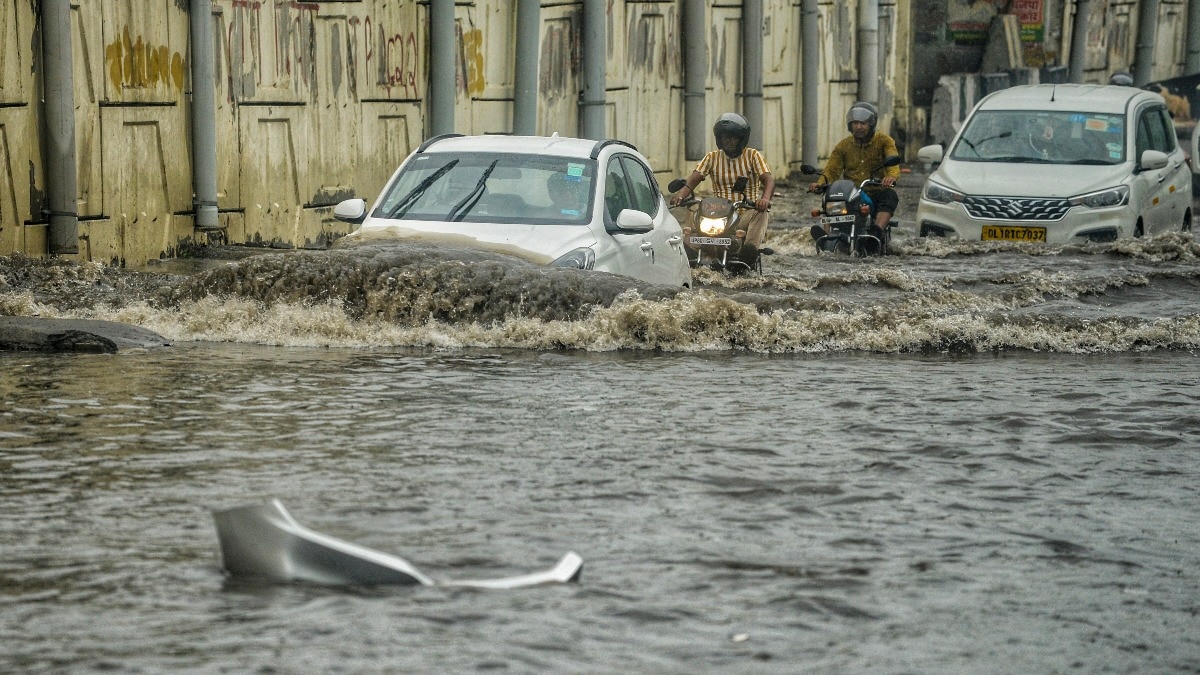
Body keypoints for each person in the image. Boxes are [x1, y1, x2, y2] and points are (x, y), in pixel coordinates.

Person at [670, 112, 775, 251]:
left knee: (761, 213)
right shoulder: (711, 157)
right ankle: (691, 246)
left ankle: (750, 250)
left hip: (743, 214)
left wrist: (765, 199)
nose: (728, 141)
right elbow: (693, 180)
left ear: (741, 139)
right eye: (724, 137)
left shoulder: (753, 156)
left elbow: (769, 180)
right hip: (717, 214)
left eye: (732, 137)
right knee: (695, 205)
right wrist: (681, 195)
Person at [808, 102, 901, 249]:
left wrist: (890, 177)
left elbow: (893, 163)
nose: (859, 127)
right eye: (855, 123)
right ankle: (827, 236)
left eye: (863, 123)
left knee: (889, 195)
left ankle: (875, 233)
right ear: (850, 125)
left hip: (876, 191)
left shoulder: (884, 141)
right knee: (829, 197)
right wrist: (820, 184)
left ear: (871, 125)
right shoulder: (843, 146)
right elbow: (831, 170)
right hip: (852, 194)